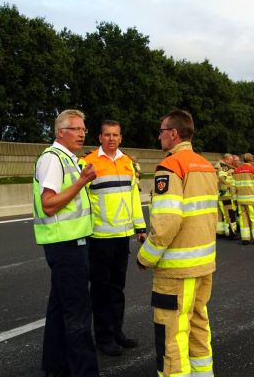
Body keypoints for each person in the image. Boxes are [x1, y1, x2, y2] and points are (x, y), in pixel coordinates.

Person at [136, 109, 218, 377]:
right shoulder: (205, 165)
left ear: (173, 133)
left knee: (170, 333)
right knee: (197, 325)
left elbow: (166, 224)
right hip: (203, 265)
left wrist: (145, 257)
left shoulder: (170, 167)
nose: (159, 136)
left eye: (161, 131)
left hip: (176, 270)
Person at [32, 109, 99, 377]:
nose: (83, 134)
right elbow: (49, 204)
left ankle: (55, 367)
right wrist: (82, 181)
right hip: (66, 245)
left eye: (84, 129)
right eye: (77, 129)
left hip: (70, 243)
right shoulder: (53, 159)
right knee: (78, 315)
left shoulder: (68, 159)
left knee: (60, 309)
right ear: (61, 132)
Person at [79, 120, 147, 356]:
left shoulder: (128, 163)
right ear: (99, 137)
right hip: (98, 238)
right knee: (100, 290)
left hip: (122, 237)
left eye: (115, 135)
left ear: (120, 137)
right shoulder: (87, 162)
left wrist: (140, 227)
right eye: (106, 135)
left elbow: (134, 199)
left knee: (117, 289)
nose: (111, 139)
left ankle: (117, 332)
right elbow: (81, 200)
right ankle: (104, 338)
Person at [232, 153, 254, 244]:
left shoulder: (236, 171)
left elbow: (232, 187)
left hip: (240, 200)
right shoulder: (253, 170)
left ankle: (245, 239)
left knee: (243, 219)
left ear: (243, 160)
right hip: (252, 200)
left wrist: (235, 199)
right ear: (251, 160)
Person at [215, 153, 237, 238]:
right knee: (228, 213)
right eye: (230, 161)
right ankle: (231, 232)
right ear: (226, 159)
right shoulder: (223, 166)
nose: (231, 163)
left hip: (219, 193)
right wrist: (230, 185)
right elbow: (222, 178)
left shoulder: (217, 165)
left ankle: (219, 231)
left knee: (219, 214)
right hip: (225, 194)